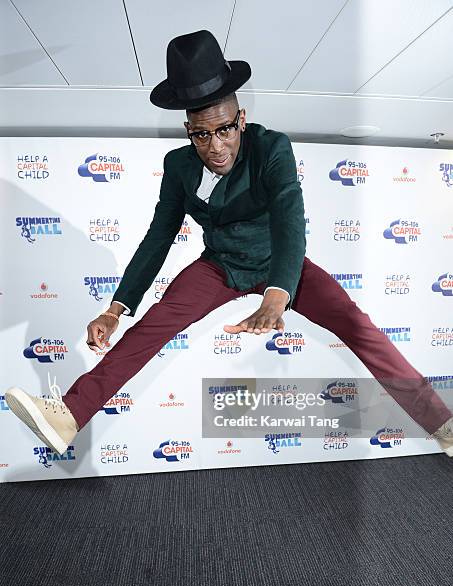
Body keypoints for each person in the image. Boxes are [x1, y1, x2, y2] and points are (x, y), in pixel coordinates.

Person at [5, 30, 453, 457]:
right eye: (201, 134)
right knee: (154, 325)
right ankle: (70, 415)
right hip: (220, 266)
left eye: (224, 130)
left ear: (241, 120)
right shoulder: (178, 167)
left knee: (360, 327)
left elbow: (289, 217)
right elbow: (159, 235)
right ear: (188, 131)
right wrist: (115, 308)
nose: (215, 146)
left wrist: (279, 294)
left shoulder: (271, 147)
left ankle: (442, 424)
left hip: (281, 261)